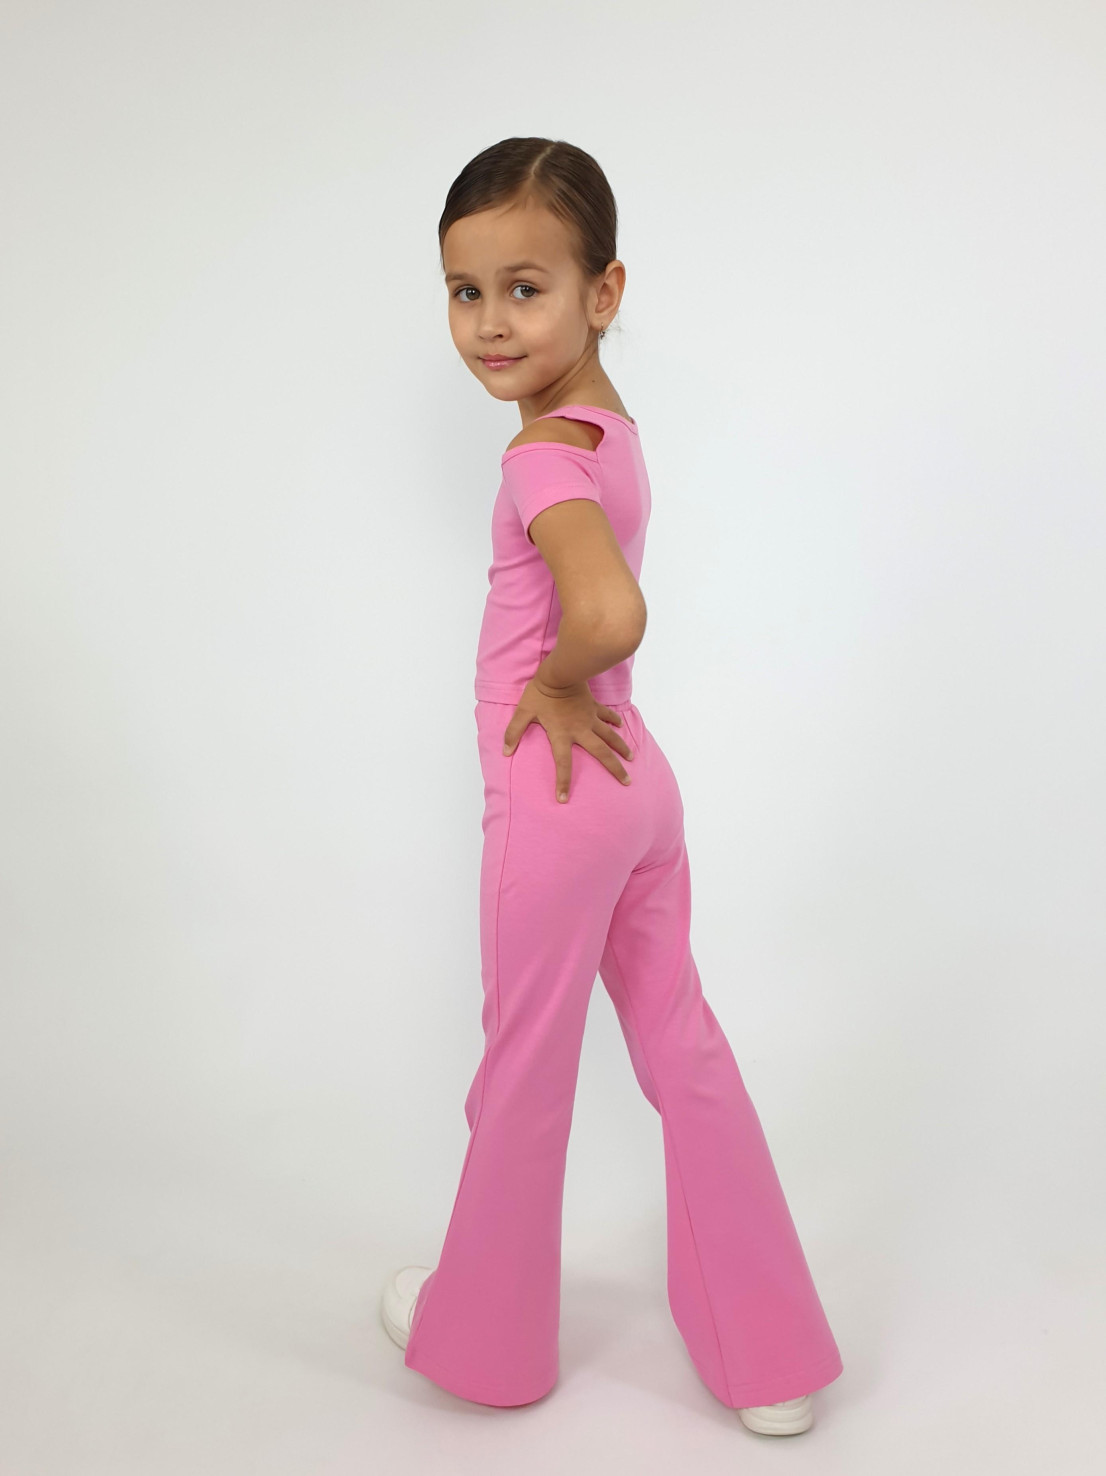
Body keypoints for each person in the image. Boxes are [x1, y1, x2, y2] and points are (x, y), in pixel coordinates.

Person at [380, 137, 843, 1437]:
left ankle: (484, 1343)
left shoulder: (538, 457)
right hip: (641, 789)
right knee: (684, 1054)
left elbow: (608, 610)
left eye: (524, 288)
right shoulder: (607, 433)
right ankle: (770, 1359)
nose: (489, 322)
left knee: (522, 1079)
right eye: (464, 291)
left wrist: (556, 678)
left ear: (604, 290)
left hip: (558, 797)